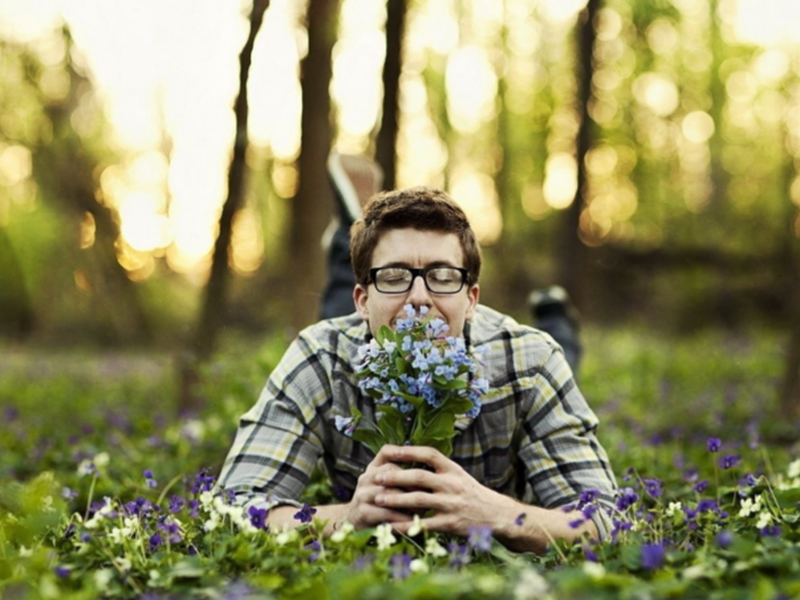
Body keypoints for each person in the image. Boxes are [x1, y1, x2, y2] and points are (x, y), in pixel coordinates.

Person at [217, 186, 617, 553]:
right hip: (359, 335)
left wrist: (497, 514)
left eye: (444, 276)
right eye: (394, 276)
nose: (420, 299)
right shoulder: (318, 356)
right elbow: (230, 510)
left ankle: (558, 320)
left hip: (514, 353)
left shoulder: (530, 361)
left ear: (472, 298)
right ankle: (348, 236)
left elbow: (607, 522)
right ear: (362, 299)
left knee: (562, 350)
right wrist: (348, 517)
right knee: (354, 323)